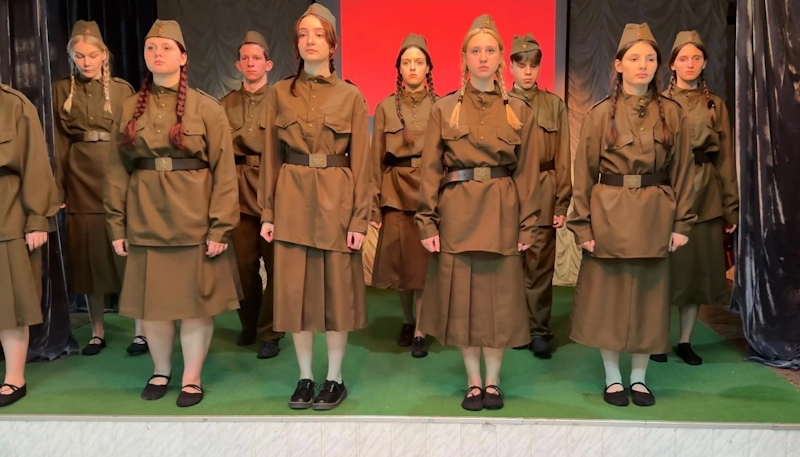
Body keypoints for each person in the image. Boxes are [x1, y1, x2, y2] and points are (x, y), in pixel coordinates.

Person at [104, 20, 241, 408]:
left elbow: (225, 173)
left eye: (166, 47)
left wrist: (220, 227)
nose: (157, 53)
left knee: (196, 305)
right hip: (145, 220)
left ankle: (191, 377)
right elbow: (116, 171)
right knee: (154, 306)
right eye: (150, 48)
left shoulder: (207, 108)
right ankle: (160, 370)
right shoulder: (129, 108)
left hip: (194, 221)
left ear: (183, 57)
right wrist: (116, 224)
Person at [416, 14, 542, 411]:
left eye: (490, 50)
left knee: (498, 302)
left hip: (502, 213)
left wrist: (528, 225)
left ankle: (493, 381)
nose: (483, 57)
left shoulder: (519, 110)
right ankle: (473, 381)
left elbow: (529, 174)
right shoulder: (444, 109)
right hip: (457, 214)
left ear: (502, 57)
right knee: (465, 303)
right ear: (464, 58)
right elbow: (430, 171)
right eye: (475, 51)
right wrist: (427, 221)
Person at [567, 23, 695, 407]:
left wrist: (682, 224)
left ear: (658, 66)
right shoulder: (599, 114)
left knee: (649, 302)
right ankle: (612, 378)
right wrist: (582, 226)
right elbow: (583, 174)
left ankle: (639, 378)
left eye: (650, 59)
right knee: (609, 301)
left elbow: (684, 172)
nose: (643, 65)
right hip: (609, 218)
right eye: (635, 58)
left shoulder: (672, 114)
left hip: (655, 219)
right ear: (618, 64)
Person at [259, 4, 371, 411]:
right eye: (303, 34)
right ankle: (305, 376)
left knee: (336, 295)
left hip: (336, 203)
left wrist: (359, 219)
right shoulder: (278, 94)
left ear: (332, 45)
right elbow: (270, 158)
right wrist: (268, 212)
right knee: (296, 295)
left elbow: (363, 163)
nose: (310, 40)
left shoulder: (350, 95)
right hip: (292, 201)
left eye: (318, 34)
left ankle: (334, 378)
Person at [53, 20, 145, 356]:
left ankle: (141, 331)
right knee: (89, 257)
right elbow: (58, 144)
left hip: (116, 176)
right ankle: (97, 332)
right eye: (79, 56)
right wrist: (60, 189)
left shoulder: (122, 90)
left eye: (92, 55)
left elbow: (134, 141)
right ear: (71, 57)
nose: (86, 62)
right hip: (80, 181)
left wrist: (136, 184)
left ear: (104, 55)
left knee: (128, 256)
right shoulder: (60, 90)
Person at [650, 31, 739, 366]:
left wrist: (731, 208)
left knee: (694, 276)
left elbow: (726, 158)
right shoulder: (658, 103)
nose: (690, 64)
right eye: (683, 58)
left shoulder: (715, 105)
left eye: (696, 58)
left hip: (705, 196)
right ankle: (656, 340)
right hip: (667, 191)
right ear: (672, 64)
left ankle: (685, 341)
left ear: (704, 63)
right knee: (663, 273)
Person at [370, 33, 436, 358]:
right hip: (394, 193)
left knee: (423, 266)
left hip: (429, 193)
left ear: (428, 67)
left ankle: (421, 329)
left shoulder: (441, 106)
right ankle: (408, 321)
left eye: (419, 62)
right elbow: (375, 159)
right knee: (401, 266)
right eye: (407, 62)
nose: (412, 67)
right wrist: (373, 205)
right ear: (399, 67)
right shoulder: (384, 107)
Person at [508, 33, 572, 359]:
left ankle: (539, 330)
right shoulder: (500, 102)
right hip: (510, 192)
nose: (528, 71)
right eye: (521, 65)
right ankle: (515, 327)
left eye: (533, 65)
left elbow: (563, 156)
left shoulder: (554, 105)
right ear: (510, 67)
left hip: (545, 189)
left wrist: (562, 202)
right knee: (510, 265)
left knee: (539, 266)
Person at [220, 31, 283, 359]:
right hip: (237, 191)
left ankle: (270, 332)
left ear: (268, 64)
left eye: (256, 58)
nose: (250, 63)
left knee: (277, 267)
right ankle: (249, 323)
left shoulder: (281, 100)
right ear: (237, 65)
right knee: (243, 267)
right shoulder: (225, 104)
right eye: (245, 58)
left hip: (274, 191)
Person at [0, 83, 60, 407]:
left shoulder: (14, 104)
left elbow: (35, 162)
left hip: (6, 214)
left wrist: (37, 218)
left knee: (10, 305)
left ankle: (14, 377)